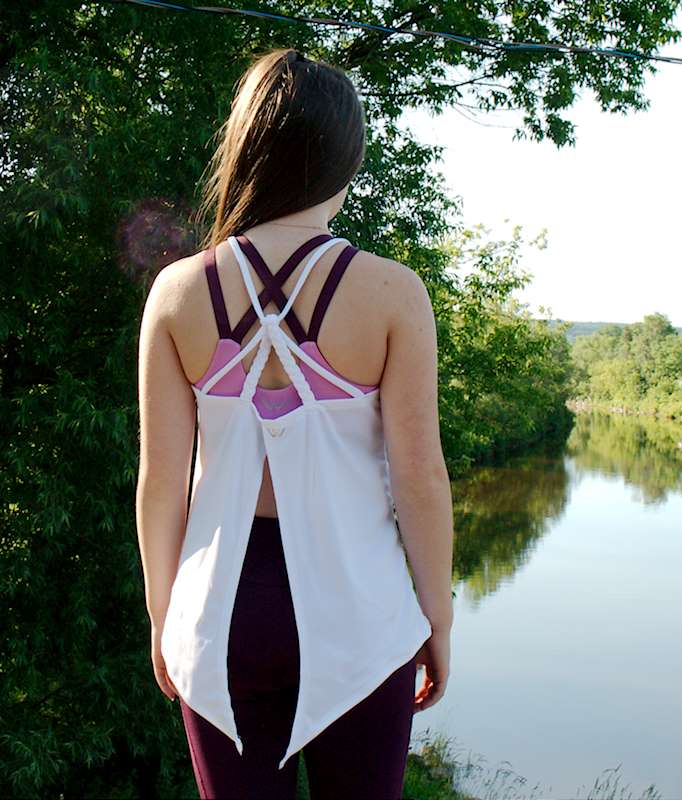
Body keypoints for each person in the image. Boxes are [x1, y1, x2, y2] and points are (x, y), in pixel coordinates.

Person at [135, 46, 454, 799]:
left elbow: (160, 483)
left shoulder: (178, 293)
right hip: (360, 614)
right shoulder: (391, 293)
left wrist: (162, 616)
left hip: (222, 616)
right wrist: (436, 620)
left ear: (246, 150)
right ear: (346, 160)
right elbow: (420, 477)